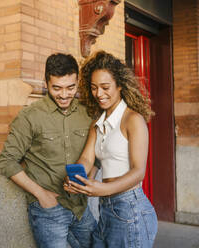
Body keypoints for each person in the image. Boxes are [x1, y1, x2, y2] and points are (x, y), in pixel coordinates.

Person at [0, 53, 97, 248]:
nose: (64, 94)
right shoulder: (30, 116)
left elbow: (95, 154)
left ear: (78, 82)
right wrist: (41, 195)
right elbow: (7, 161)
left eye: (71, 87)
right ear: (46, 83)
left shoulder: (87, 113)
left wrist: (90, 179)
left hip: (80, 207)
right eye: (57, 88)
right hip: (48, 210)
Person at [64, 50, 158, 247]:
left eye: (105, 87)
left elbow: (139, 171)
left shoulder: (133, 120)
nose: (99, 94)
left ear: (120, 86)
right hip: (105, 207)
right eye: (94, 87)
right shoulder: (97, 123)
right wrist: (76, 179)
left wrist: (103, 188)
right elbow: (87, 159)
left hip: (130, 208)